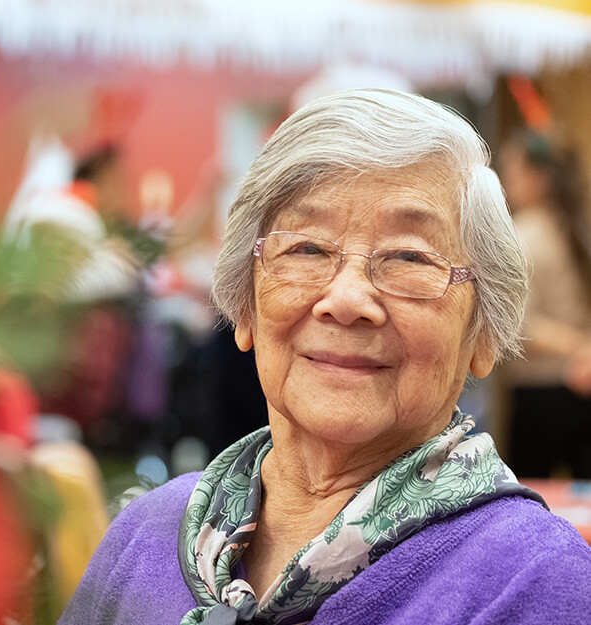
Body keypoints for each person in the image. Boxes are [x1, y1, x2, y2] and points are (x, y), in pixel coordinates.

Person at [58, 89, 591, 625]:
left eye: (410, 257)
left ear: (484, 335)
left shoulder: (538, 584)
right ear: (245, 308)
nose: (347, 301)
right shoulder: (146, 535)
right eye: (306, 249)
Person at [497, 130, 591, 478]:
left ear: (538, 178)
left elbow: (519, 327)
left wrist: (579, 348)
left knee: (531, 499)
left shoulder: (522, 237)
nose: (507, 183)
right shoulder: (577, 229)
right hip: (580, 381)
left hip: (543, 393)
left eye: (512, 171)